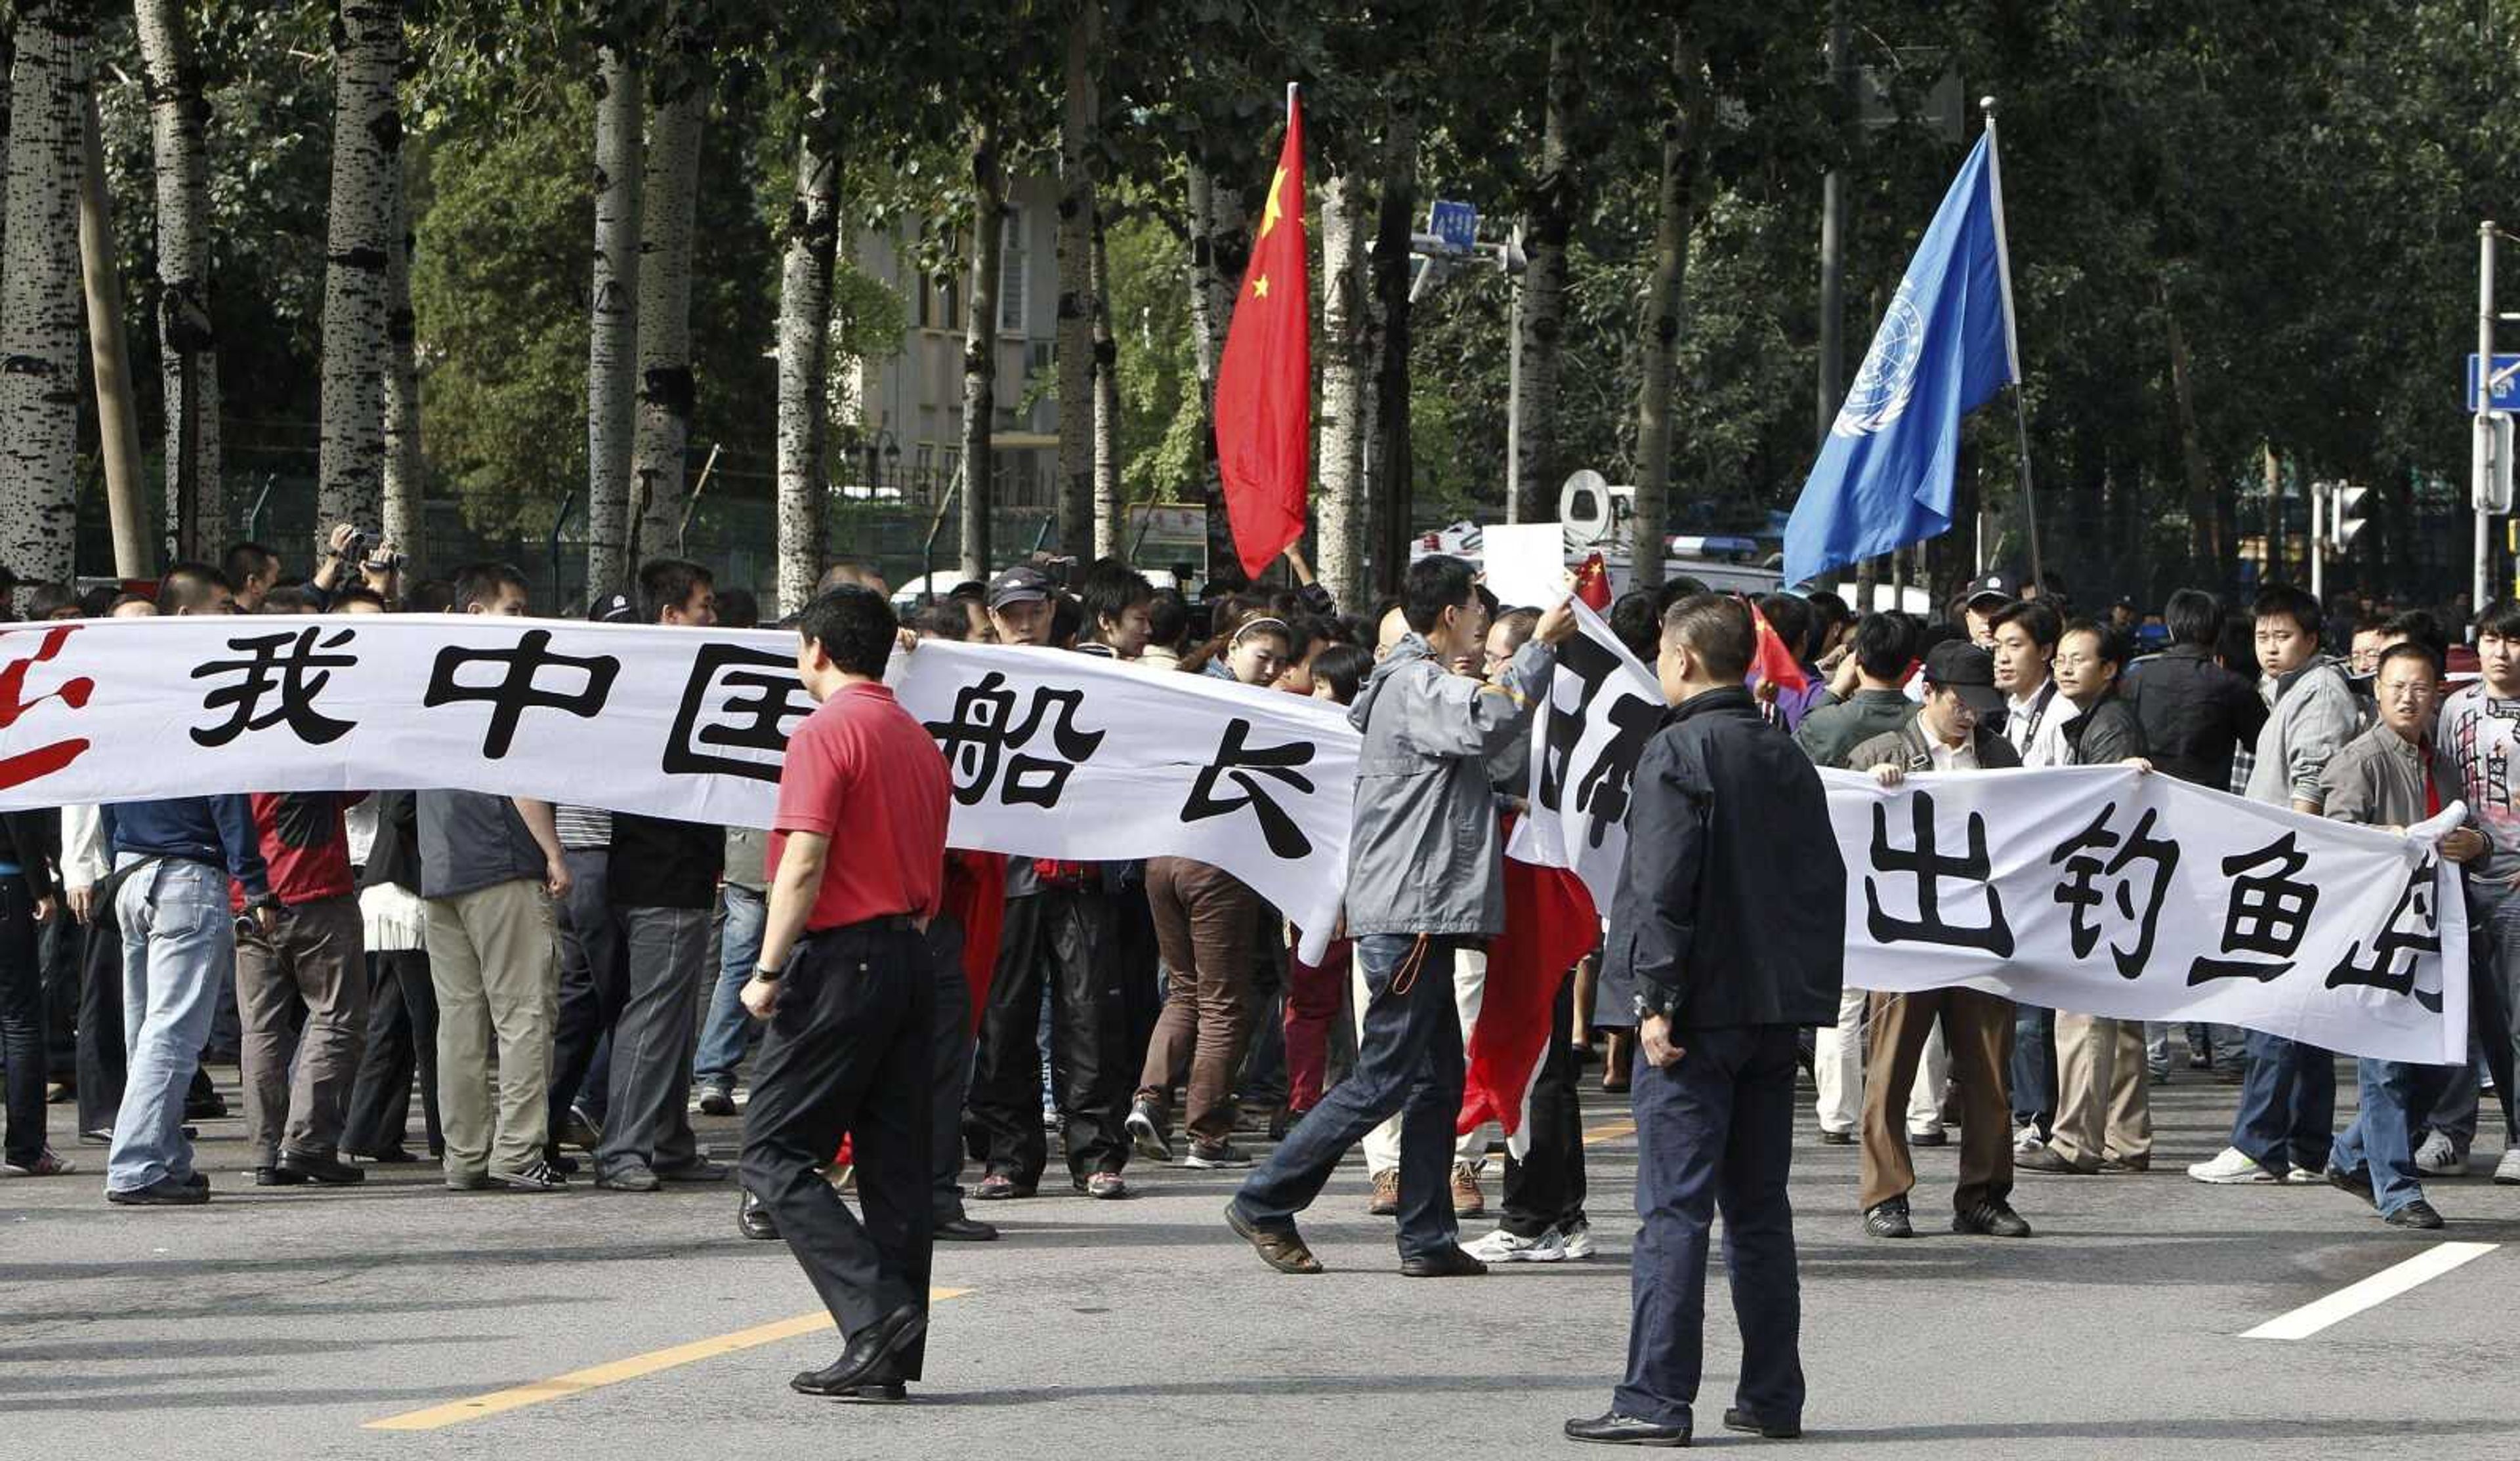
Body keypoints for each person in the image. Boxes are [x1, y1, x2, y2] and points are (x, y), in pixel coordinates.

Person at [1225, 555, 1574, 1279]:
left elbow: (1437, 785)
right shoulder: (1421, 683)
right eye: (1478, 611)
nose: (1483, 624)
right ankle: (1265, 1197)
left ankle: (1426, 1235)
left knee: (1435, 1080)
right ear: (1451, 615)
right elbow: (1491, 720)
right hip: (1413, 908)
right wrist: (1539, 646)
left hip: (1422, 906)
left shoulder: (1411, 683)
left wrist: (1508, 807)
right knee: (1385, 1075)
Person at [1566, 596, 1844, 1449]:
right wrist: (1804, 1000)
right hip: (1771, 1010)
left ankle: (1656, 1394)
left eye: (1660, 648)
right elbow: (1823, 880)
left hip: (1693, 1010)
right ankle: (1771, 1392)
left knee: (1674, 1211)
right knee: (1760, 1207)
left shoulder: (1677, 749)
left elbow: (1663, 883)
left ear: (1684, 659)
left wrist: (1654, 996)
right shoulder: (1782, 750)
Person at [736, 585, 952, 1402]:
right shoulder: (915, 736)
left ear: (816, 650)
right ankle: (886, 1354)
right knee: (896, 1165)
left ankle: (875, 1312)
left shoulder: (827, 730)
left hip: (841, 958)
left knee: (772, 1149)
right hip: (910, 952)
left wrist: (765, 969)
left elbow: (804, 857)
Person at [1846, 641, 2033, 1240]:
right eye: (1959, 702)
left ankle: (1982, 1194)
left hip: (1980, 934)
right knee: (1891, 1068)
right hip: (1905, 939)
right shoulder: (1881, 751)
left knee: (1988, 1072)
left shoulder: (2001, 754)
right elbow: (1838, 817)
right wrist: (1869, 787)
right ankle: (1886, 1194)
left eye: (1981, 704)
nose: (1970, 715)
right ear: (1927, 692)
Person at [967, 564, 1136, 1200]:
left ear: (1051, 612)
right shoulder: (967, 674)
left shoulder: (1088, 672)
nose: (1025, 623)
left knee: (1090, 1018)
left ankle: (1096, 1152)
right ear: (994, 619)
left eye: (1034, 610)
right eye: (1012, 613)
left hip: (1079, 871)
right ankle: (1009, 1156)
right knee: (1004, 1021)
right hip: (1005, 875)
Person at [2189, 585, 2358, 1187]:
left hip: (2290, 870)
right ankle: (2309, 1147)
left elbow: (2312, 781)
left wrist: (2290, 864)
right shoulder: (2285, 689)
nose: (2270, 646)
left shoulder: (2319, 692)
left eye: (2283, 635)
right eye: (2263, 635)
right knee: (2303, 1016)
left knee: (2272, 1007)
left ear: (2312, 640)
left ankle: (2259, 1145)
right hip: (2281, 866)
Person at [419, 564, 575, 1192]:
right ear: (476, 612)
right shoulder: (507, 679)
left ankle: (464, 1154)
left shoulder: (428, 675)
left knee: (459, 1022)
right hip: (502, 863)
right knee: (524, 1016)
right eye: (514, 609)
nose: (524, 620)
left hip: (442, 867)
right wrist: (555, 851)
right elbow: (522, 777)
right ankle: (517, 1153)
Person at [2320, 644, 2483, 1229]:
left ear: (2436, 692)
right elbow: (2333, 838)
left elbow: (2472, 829)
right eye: (2396, 687)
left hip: (2439, 929)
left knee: (2444, 1062)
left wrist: (2476, 846)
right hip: (2380, 936)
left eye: (2419, 688)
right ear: (2377, 692)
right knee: (2385, 1064)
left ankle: (2347, 1154)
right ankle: (2397, 1187)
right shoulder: (2360, 759)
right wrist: (2383, 838)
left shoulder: (2441, 761)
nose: (2408, 698)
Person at [1127, 616, 1295, 1168]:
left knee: (1185, 991)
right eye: (1263, 656)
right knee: (1223, 1002)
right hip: (1216, 864)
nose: (1270, 669)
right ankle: (1208, 1134)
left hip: (1162, 859)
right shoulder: (1241, 707)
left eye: (1280, 662)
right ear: (1237, 646)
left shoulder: (1184, 691)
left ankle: (1151, 1099)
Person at [594, 560, 728, 1192]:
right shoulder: (655, 691)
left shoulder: (661, 685)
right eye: (703, 606)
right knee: (652, 1015)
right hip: (662, 878)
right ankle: (623, 1146)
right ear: (670, 617)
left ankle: (669, 1140)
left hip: (670, 875)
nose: (713, 616)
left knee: (670, 1016)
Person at [1794, 613, 1946, 1151]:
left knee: (1844, 997)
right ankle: (1926, 1113)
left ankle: (1839, 1111)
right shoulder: (1925, 720)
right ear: (1912, 667)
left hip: (1840, 870)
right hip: (1915, 872)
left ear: (1858, 661)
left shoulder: (1825, 724)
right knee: (1918, 993)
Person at [2018, 622, 2156, 1176]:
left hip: (2102, 887)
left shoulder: (2112, 726)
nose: (2065, 667)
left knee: (2082, 1012)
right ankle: (2127, 1137)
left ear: (2110, 669)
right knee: (2119, 1019)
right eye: (2062, 659)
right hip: (2120, 887)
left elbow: (2114, 806)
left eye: (2080, 659)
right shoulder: (2094, 719)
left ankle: (2075, 1141)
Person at [102, 791, 273, 1204]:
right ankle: (136, 1165)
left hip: (131, 868)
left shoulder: (132, 726)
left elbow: (107, 797)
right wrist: (254, 884)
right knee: (172, 1034)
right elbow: (227, 798)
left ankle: (167, 1157)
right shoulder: (206, 726)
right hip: (187, 872)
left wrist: (119, 852)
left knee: (146, 1033)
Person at [233, 789, 371, 1187]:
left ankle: (265, 1151)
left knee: (260, 1030)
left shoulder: (234, 746)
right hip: (316, 889)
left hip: (251, 895)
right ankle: (307, 1142)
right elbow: (354, 788)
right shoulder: (308, 738)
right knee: (338, 1019)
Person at [2435, 598, 2520, 1184]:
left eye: (2512, 641)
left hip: (2516, 877)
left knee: (2515, 1017)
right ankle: (2450, 1131)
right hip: (2458, 872)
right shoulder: (2454, 708)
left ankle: (2518, 1135)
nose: (2500, 651)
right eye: (2490, 638)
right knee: (2455, 1010)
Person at [343, 790, 440, 1164]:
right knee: (431, 1027)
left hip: (387, 892)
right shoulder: (418, 768)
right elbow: (402, 810)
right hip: (405, 897)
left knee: (392, 1025)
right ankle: (447, 1136)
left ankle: (369, 1132)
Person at [0, 805, 68, 1178]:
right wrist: (41, 887)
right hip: (8, 881)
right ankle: (26, 1148)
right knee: (20, 1021)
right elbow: (20, 817)